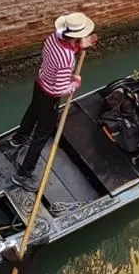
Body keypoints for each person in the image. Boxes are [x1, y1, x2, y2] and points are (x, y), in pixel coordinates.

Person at [11, 12, 97, 191]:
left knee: (33, 110)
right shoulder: (67, 59)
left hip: (40, 83)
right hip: (50, 96)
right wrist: (75, 83)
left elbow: (59, 54)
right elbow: (59, 89)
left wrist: (80, 46)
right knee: (42, 134)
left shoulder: (52, 38)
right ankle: (23, 174)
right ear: (76, 36)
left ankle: (18, 138)